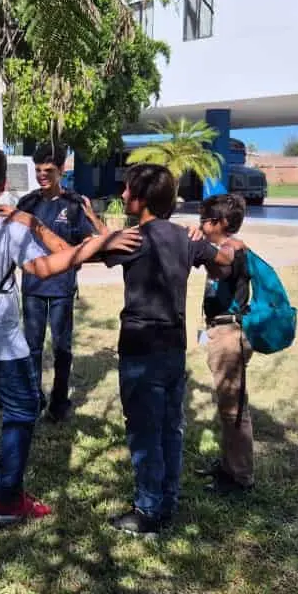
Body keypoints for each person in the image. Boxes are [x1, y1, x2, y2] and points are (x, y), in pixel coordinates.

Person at [0, 147, 139, 527]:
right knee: (20, 412)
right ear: (3, 186)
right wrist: (95, 244)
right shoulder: (8, 224)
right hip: (1, 343)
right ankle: (5, 501)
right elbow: (46, 266)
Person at [103, 165, 238, 536]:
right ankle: (167, 500)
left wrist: (100, 236)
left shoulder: (132, 239)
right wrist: (205, 243)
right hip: (172, 348)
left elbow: (85, 255)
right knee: (168, 428)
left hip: (140, 347)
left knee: (145, 430)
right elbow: (225, 261)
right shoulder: (183, 237)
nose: (122, 196)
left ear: (141, 199)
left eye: (127, 191)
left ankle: (147, 511)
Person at [17, 143, 104, 422]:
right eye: (38, 170)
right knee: (31, 347)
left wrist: (92, 220)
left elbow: (91, 244)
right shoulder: (27, 203)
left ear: (62, 170)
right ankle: (33, 398)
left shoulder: (75, 204)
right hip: (32, 287)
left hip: (62, 289)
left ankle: (58, 402)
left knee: (62, 348)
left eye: (49, 170)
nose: (42, 175)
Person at [198, 193, 255, 494]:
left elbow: (224, 263)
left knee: (234, 410)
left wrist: (206, 247)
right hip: (220, 330)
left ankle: (240, 477)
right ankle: (228, 465)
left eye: (204, 220)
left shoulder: (231, 247)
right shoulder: (223, 246)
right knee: (227, 406)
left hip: (230, 334)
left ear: (219, 223)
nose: (201, 225)